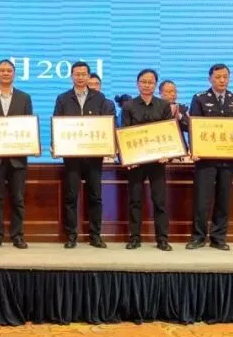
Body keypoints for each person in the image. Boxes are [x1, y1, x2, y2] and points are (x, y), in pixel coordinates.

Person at [53, 61, 114, 249]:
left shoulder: (99, 98)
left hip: (94, 156)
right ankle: (71, 235)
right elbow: (57, 124)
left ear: (89, 76)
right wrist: (56, 144)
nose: (80, 77)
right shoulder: (63, 98)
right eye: (77, 74)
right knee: (71, 197)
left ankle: (95, 235)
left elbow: (106, 125)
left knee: (95, 196)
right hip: (71, 157)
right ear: (71, 76)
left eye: (83, 74)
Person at [188, 63, 233, 251]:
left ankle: (219, 238)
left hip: (228, 158)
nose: (222, 80)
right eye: (218, 77)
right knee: (202, 199)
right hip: (205, 159)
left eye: (225, 77)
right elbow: (194, 126)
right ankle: (198, 237)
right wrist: (194, 149)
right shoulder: (199, 98)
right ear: (210, 79)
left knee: (223, 199)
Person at [0, 59, 33, 249]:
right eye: (2, 70)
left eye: (9, 70)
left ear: (14, 74)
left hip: (18, 158)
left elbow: (28, 126)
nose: (6, 73)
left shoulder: (24, 98)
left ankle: (18, 235)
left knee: (18, 199)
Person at [121, 69, 174, 251]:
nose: (146, 85)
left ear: (155, 85)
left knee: (160, 201)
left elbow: (169, 132)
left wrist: (168, 153)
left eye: (150, 82)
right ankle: (134, 237)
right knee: (135, 200)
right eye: (143, 81)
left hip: (158, 161)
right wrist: (127, 157)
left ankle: (162, 239)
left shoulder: (163, 105)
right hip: (136, 161)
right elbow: (124, 133)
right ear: (137, 84)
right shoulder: (128, 106)